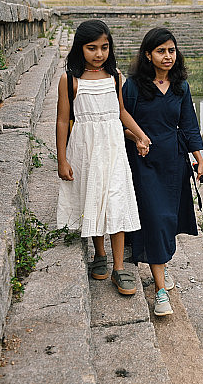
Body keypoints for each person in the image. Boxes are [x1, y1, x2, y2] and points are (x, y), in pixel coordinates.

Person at [55, 19, 151, 296]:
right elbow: (63, 121)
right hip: (85, 150)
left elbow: (121, 112)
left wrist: (140, 135)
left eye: (104, 47)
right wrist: (62, 159)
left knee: (116, 201)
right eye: (92, 48)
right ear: (79, 48)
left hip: (113, 149)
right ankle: (100, 253)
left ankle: (120, 268)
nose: (99, 54)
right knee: (94, 198)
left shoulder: (115, 77)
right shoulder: (70, 80)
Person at [123, 27, 203, 316]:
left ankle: (160, 265)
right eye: (161, 51)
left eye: (171, 50)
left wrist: (200, 162)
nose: (168, 56)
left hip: (173, 161)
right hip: (144, 160)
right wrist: (138, 138)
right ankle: (160, 291)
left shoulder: (180, 86)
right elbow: (121, 122)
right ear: (148, 55)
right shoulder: (134, 86)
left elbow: (189, 125)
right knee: (156, 218)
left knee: (168, 220)